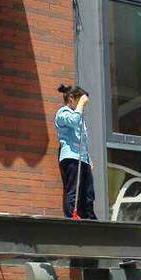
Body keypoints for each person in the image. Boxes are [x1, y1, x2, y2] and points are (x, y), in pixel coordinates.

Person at [54, 84, 97, 220]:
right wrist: (81, 105)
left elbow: (81, 140)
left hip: (82, 158)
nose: (83, 106)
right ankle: (71, 217)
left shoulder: (78, 115)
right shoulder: (63, 113)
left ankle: (89, 218)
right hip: (71, 157)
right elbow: (73, 121)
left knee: (88, 192)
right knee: (74, 189)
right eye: (80, 102)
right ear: (71, 99)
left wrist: (88, 158)